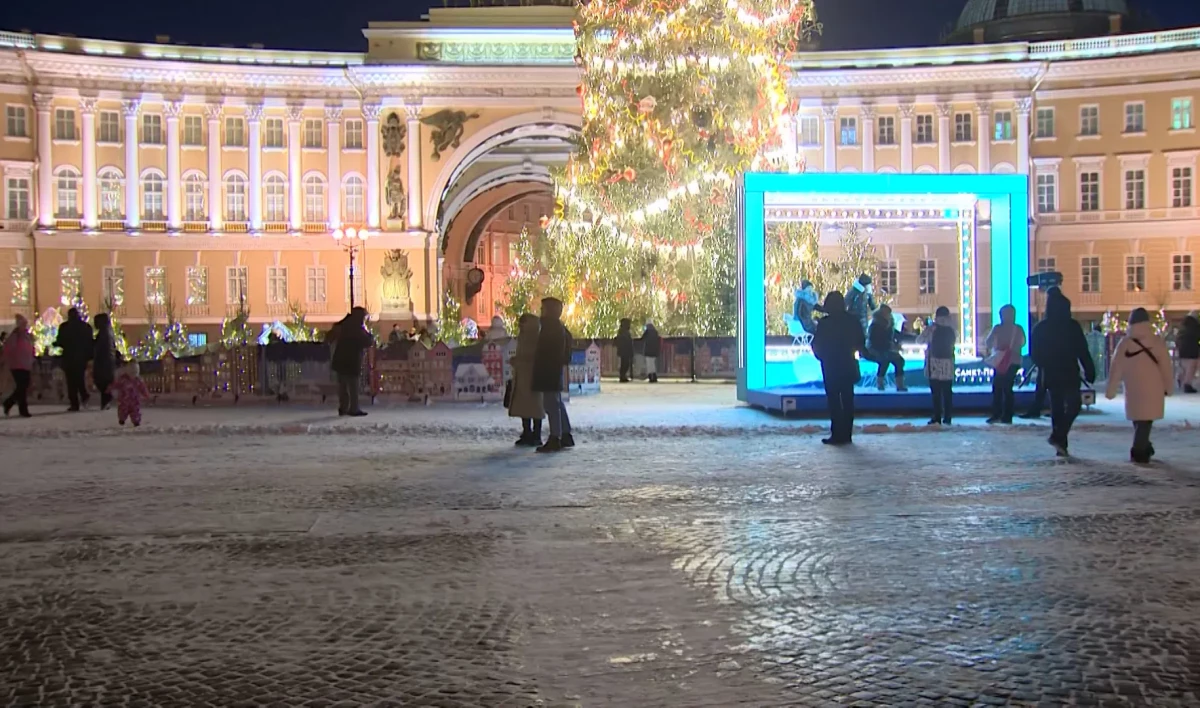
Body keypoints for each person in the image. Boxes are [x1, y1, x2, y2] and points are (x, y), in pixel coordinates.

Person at [1106, 308, 1174, 464]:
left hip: (1133, 389)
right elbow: (1166, 367)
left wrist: (1111, 390)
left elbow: (1116, 368)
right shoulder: (1156, 342)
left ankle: (1143, 447)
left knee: (1139, 420)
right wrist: (1169, 387)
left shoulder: (1125, 343)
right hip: (1153, 389)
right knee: (1145, 420)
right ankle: (1140, 451)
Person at [1032, 293, 1096, 456]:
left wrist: (1044, 364)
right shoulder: (1072, 326)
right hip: (1069, 372)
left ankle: (1060, 439)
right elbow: (1082, 350)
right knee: (1073, 405)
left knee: (1058, 408)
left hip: (1052, 373)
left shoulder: (1041, 328)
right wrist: (1089, 369)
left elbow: (1035, 354)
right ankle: (1060, 438)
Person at [812, 291, 865, 446]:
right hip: (847, 364)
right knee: (848, 400)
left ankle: (836, 434)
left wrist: (822, 357)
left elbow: (817, 344)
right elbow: (860, 341)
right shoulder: (852, 321)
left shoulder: (825, 323)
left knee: (834, 401)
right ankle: (847, 434)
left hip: (830, 366)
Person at [532, 297, 574, 452]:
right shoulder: (557, 327)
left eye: (544, 309)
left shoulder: (550, 328)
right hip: (552, 370)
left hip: (548, 370)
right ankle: (565, 433)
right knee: (556, 402)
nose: (541, 311)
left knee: (551, 404)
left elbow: (547, 352)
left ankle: (555, 437)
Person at [984, 304, 1027, 425]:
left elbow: (988, 342)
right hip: (1014, 361)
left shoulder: (997, 328)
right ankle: (1007, 415)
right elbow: (1023, 342)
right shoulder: (1018, 329)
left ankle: (996, 413)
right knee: (1008, 389)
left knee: (997, 388)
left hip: (1000, 361)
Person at [508, 313, 545, 446]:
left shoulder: (534, 338)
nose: (520, 326)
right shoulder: (524, 337)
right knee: (525, 407)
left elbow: (534, 359)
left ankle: (535, 435)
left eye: (522, 323)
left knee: (534, 407)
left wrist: (518, 361)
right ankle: (527, 433)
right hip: (523, 377)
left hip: (532, 377)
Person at [329, 307, 373, 417]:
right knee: (353, 386)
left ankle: (343, 407)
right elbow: (367, 341)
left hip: (340, 359)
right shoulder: (356, 327)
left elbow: (331, 336)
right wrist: (370, 336)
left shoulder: (343, 325)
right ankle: (353, 408)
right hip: (352, 360)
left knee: (343, 386)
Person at [919, 306, 956, 425]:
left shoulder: (932, 329)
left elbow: (919, 340)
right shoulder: (952, 328)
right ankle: (948, 416)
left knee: (936, 392)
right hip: (948, 363)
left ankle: (937, 416)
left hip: (933, 363)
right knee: (947, 392)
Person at [54, 307, 94, 411]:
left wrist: (56, 344)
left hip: (69, 357)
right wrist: (89, 356)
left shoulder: (64, 327)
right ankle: (84, 396)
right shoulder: (86, 327)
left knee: (71, 381)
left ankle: (75, 403)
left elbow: (60, 341)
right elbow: (90, 343)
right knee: (79, 379)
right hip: (81, 358)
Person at [865, 304, 907, 391]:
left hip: (886, 349)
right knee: (885, 360)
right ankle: (881, 383)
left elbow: (896, 335)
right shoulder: (875, 325)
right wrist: (891, 346)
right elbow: (875, 341)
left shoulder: (889, 324)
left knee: (898, 361)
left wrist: (896, 344)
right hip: (874, 349)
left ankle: (899, 384)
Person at [2, 315, 35, 418]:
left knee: (23, 387)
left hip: (25, 364)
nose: (25, 326)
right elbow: (8, 349)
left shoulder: (26, 336)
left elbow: (30, 348)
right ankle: (21, 409)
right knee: (22, 386)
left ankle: (10, 403)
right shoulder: (15, 336)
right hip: (17, 364)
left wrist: (31, 358)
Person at [110, 360, 150, 427]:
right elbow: (116, 384)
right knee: (122, 410)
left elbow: (143, 388)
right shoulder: (123, 379)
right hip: (124, 399)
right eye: (131, 371)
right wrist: (110, 388)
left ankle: (136, 421)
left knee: (136, 411)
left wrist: (146, 394)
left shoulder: (138, 380)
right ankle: (122, 419)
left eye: (135, 372)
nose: (133, 373)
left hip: (135, 400)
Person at [92, 313, 118, 411]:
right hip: (107, 361)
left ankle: (106, 401)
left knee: (102, 382)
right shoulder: (106, 332)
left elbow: (101, 347)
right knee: (103, 382)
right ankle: (105, 401)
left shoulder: (104, 333)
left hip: (104, 361)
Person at [1177, 313, 1200, 393]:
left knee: (1185, 367)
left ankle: (1181, 379)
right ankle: (1187, 384)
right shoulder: (1195, 326)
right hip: (1192, 349)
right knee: (1191, 366)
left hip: (1182, 349)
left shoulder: (1182, 326)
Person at [615, 318, 635, 383]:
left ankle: (623, 376)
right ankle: (622, 376)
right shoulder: (623, 332)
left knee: (625, 364)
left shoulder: (622, 331)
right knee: (625, 364)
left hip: (624, 351)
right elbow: (625, 341)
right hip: (625, 351)